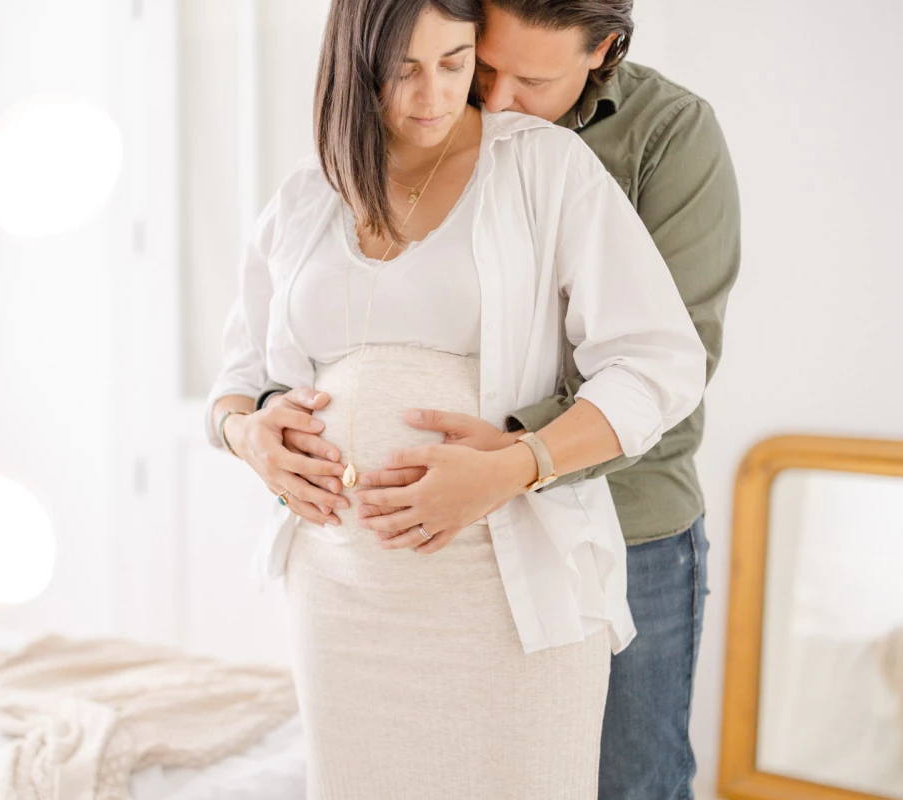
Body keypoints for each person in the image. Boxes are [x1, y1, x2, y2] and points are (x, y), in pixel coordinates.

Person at [205, 0, 707, 796]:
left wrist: (519, 463)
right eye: (404, 69)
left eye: (454, 61)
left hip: (503, 586)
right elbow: (237, 374)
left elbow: (659, 363)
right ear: (353, 67)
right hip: (343, 591)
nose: (435, 94)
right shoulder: (307, 197)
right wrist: (248, 437)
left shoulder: (544, 166)